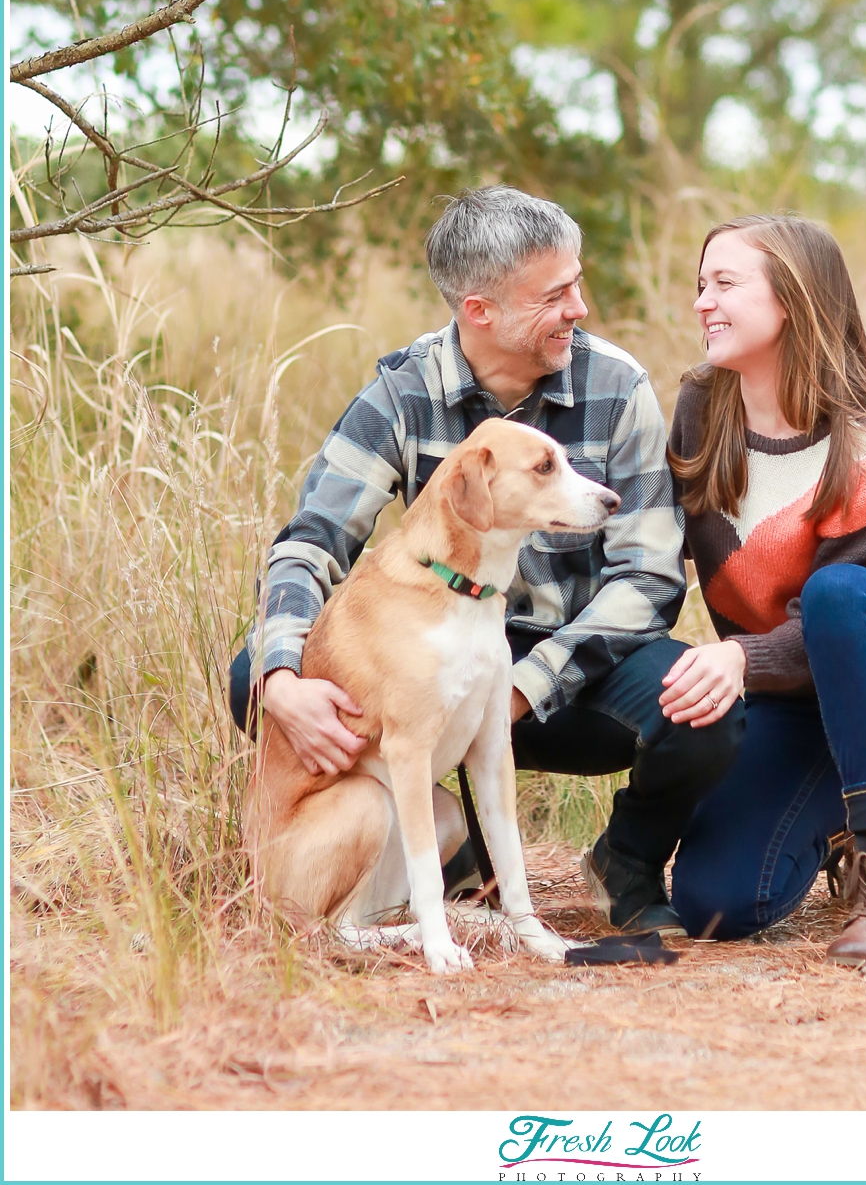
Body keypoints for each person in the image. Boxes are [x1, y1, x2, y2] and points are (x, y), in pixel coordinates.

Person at [229, 186, 743, 935]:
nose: (581, 307)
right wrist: (280, 676)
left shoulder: (616, 385)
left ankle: (626, 860)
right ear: (481, 311)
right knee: (255, 674)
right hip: (437, 653)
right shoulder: (402, 394)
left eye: (577, 282)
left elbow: (652, 574)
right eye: (557, 293)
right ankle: (449, 858)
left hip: (570, 673)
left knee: (704, 709)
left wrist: (521, 687)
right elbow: (310, 543)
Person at [661, 215, 866, 963]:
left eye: (724, 283)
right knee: (713, 902)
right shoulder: (699, 413)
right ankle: (836, 819)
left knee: (838, 593)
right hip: (793, 692)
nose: (701, 303)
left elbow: (846, 611)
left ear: (791, 298)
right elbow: (655, 557)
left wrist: (742, 660)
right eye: (699, 284)